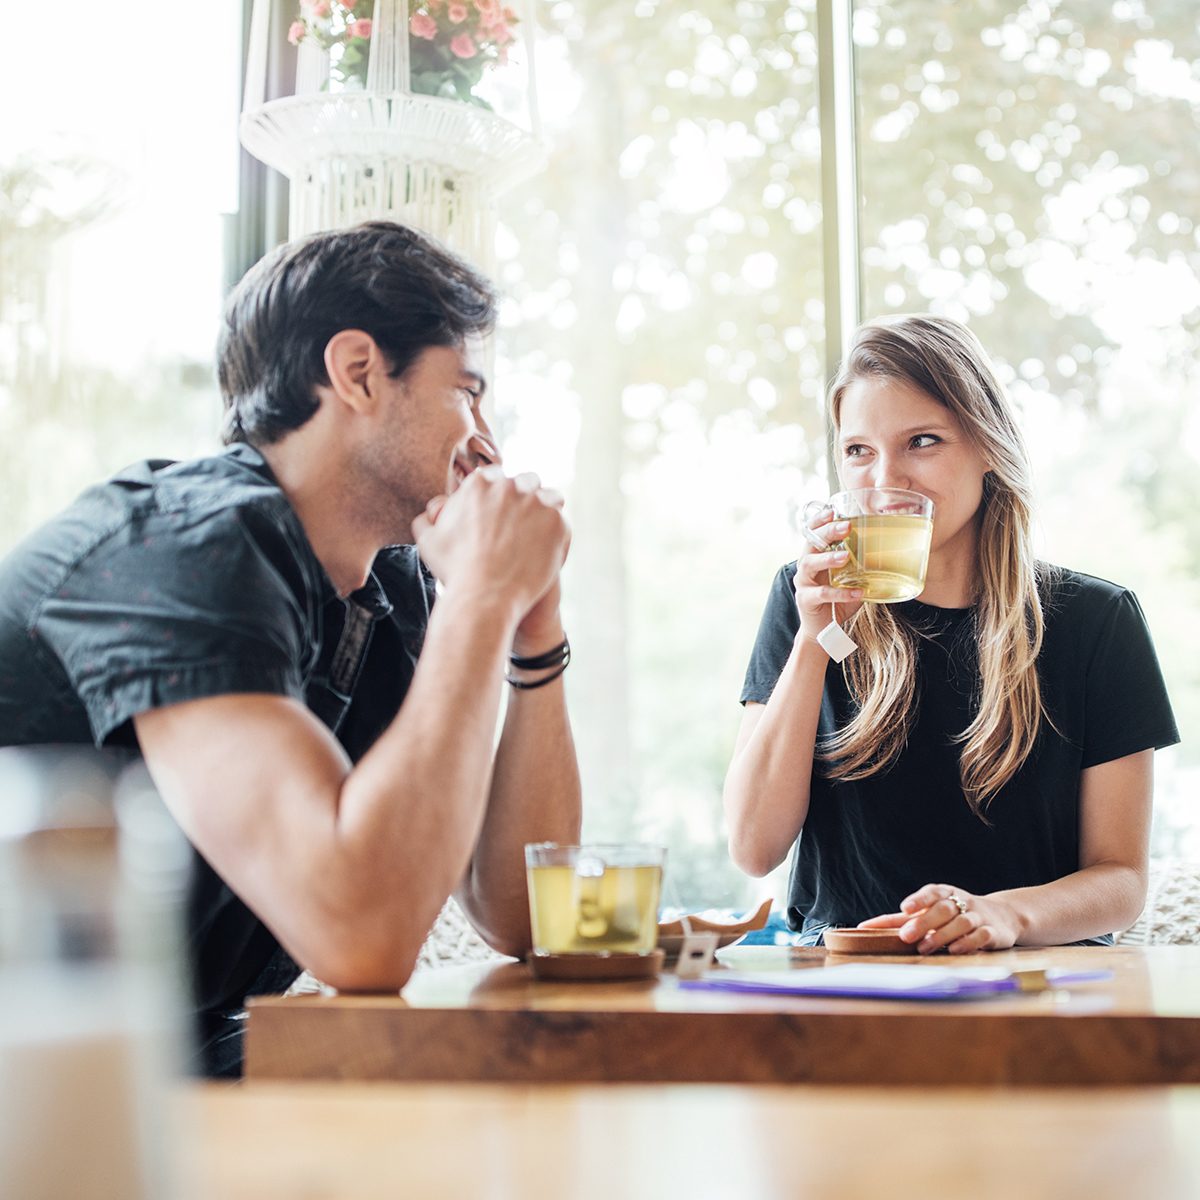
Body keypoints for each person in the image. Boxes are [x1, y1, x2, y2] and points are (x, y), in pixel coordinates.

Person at [0, 220, 581, 1074]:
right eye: (467, 391)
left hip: (169, 1060)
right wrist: (486, 595)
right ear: (357, 372)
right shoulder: (189, 543)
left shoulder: (393, 588)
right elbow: (360, 933)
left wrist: (532, 633)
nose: (488, 440)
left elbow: (527, 913)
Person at [723, 314, 1179, 953]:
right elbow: (752, 847)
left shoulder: (1096, 620)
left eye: (923, 441)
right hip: (843, 976)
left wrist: (1002, 916)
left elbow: (1122, 880)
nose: (886, 481)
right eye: (859, 451)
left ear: (988, 446)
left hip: (1033, 980)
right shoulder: (803, 602)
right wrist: (811, 646)